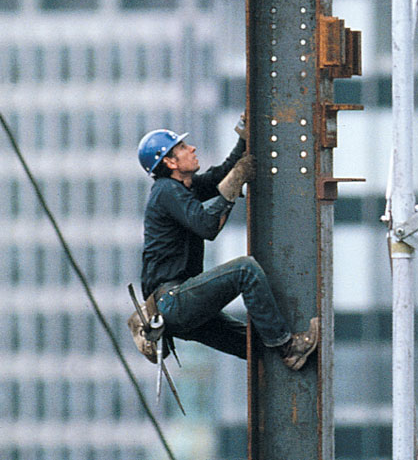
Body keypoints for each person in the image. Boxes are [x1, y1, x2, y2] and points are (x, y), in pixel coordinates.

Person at [129, 120, 319, 371]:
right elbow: (208, 226)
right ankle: (290, 348)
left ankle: (283, 354)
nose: (192, 148)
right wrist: (234, 186)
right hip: (173, 301)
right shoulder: (166, 191)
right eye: (183, 147)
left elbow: (222, 174)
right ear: (170, 162)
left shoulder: (182, 188)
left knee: (254, 345)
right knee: (245, 271)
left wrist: (244, 137)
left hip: (173, 310)